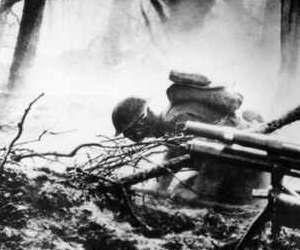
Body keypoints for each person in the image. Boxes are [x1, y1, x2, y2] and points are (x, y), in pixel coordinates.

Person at [111, 70, 267, 203]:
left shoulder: (176, 121)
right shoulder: (169, 123)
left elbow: (216, 151)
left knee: (185, 200)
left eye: (130, 133)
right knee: (177, 194)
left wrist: (198, 190)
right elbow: (174, 154)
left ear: (141, 123)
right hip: (237, 165)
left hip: (246, 168)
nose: (133, 138)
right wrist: (160, 186)